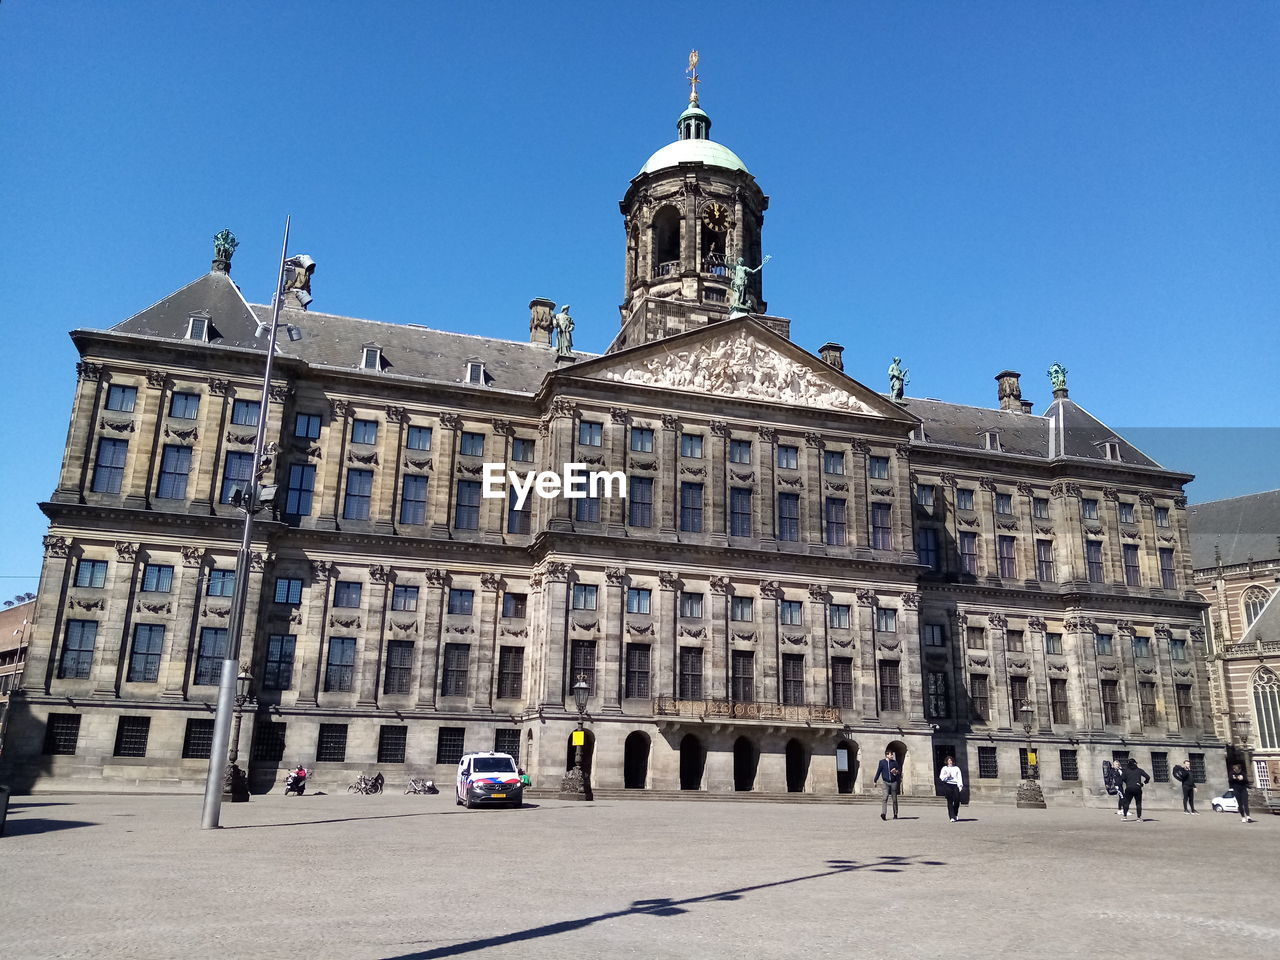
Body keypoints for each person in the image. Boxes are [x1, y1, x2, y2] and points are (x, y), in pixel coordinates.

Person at [873, 749, 902, 821]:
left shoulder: (894, 762)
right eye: (891, 754)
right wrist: (875, 780)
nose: (892, 756)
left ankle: (895, 813)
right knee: (884, 798)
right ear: (886, 755)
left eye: (892, 754)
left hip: (894, 782)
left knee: (894, 799)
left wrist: (895, 771)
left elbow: (899, 772)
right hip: (885, 782)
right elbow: (879, 771)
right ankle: (883, 814)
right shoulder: (882, 762)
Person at [938, 756, 963, 822]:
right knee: (950, 801)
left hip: (955, 785)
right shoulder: (944, 768)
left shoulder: (956, 768)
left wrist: (960, 786)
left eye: (951, 760)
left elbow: (959, 777)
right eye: (949, 761)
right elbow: (941, 777)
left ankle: (955, 813)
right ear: (946, 762)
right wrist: (947, 775)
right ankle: (951, 816)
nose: (950, 762)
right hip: (948, 784)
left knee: (957, 800)